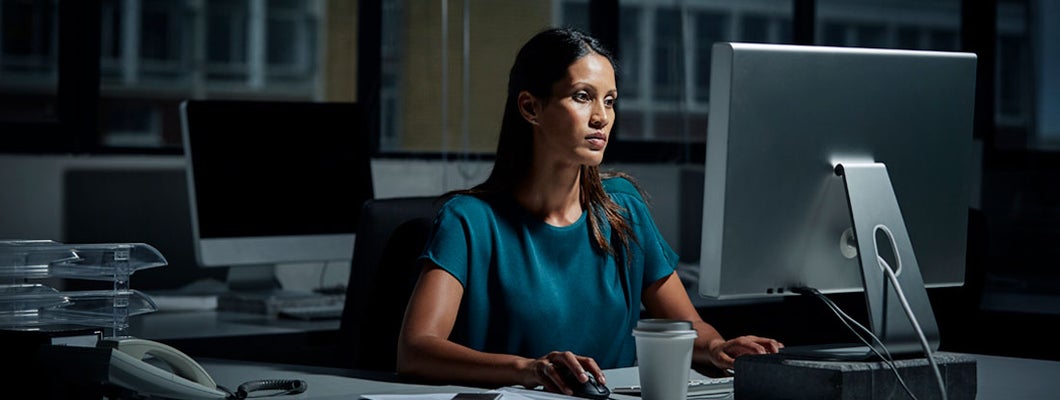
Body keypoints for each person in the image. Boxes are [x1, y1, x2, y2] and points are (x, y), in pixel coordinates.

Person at [395, 27, 783, 395]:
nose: (601, 117)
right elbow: (416, 350)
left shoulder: (623, 209)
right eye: (583, 96)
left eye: (610, 100)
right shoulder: (469, 220)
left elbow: (685, 326)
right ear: (531, 107)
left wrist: (717, 346)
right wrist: (529, 369)